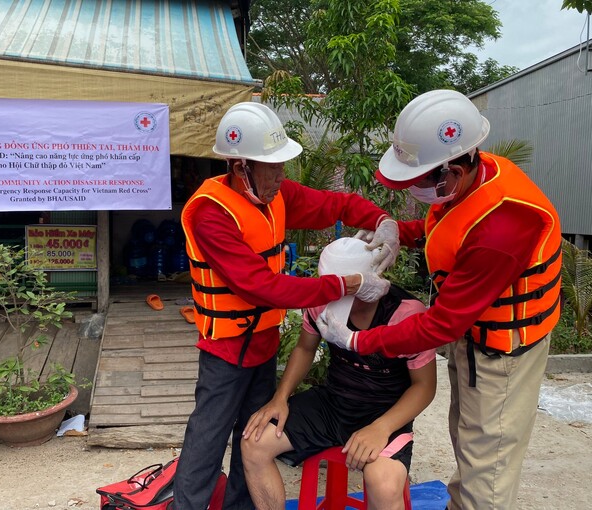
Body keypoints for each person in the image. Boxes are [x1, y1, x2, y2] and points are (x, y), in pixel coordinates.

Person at [317, 89, 562, 510]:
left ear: (454, 166)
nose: (414, 188)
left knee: (490, 462)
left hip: (503, 353)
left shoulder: (504, 226)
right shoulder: (472, 178)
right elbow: (450, 232)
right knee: (467, 437)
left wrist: (360, 341)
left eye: (422, 179)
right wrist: (399, 233)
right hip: (476, 337)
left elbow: (442, 325)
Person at [175, 102, 401, 510]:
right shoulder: (211, 212)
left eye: (282, 165)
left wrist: (382, 219)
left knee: (250, 436)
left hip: (262, 343)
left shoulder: (276, 194)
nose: (282, 175)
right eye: (272, 166)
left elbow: (336, 205)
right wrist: (347, 283)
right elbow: (262, 286)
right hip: (225, 351)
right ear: (241, 166)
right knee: (206, 440)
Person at [240, 237, 436, 510]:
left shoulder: (406, 313)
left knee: (384, 481)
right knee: (254, 442)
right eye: (332, 289)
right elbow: (305, 348)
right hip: (333, 403)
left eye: (348, 289)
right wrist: (280, 398)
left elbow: (424, 386)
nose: (335, 298)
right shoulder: (321, 301)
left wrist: (381, 428)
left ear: (371, 282)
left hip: (386, 412)